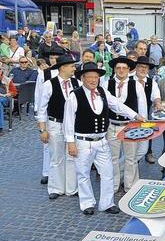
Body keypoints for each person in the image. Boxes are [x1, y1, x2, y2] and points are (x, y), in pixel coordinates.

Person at [64, 62, 145, 215]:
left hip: (102, 140)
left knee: (107, 172)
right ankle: (87, 203)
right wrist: (70, 143)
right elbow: (68, 121)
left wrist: (135, 115)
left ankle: (107, 203)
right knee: (83, 173)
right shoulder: (75, 95)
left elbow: (117, 105)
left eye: (96, 77)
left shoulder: (102, 92)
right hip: (83, 141)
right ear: (83, 78)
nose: (93, 80)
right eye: (90, 77)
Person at [36, 55, 80, 199]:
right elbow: (41, 108)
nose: (74, 68)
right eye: (72, 66)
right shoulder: (49, 84)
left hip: (72, 125)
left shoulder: (77, 83)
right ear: (62, 67)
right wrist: (43, 129)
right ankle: (55, 188)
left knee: (72, 156)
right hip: (55, 123)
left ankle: (71, 188)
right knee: (56, 156)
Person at [103, 56, 141, 193]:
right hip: (112, 125)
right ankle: (113, 185)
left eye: (124, 68)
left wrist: (143, 126)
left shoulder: (136, 84)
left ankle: (130, 185)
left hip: (130, 125)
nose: (121, 70)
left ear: (129, 69)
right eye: (118, 68)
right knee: (112, 157)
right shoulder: (106, 84)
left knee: (131, 158)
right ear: (114, 69)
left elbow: (141, 106)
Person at [132, 56, 163, 164]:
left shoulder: (151, 82)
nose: (143, 69)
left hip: (145, 119)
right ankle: (128, 174)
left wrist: (158, 103)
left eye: (145, 67)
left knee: (143, 149)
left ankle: (126, 168)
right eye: (140, 66)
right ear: (136, 67)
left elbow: (156, 96)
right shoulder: (129, 80)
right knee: (130, 151)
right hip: (129, 120)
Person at [0, 69, 17, 136]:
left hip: (5, 98)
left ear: (1, 71)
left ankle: (0, 128)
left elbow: (14, 91)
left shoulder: (7, 79)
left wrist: (9, 94)